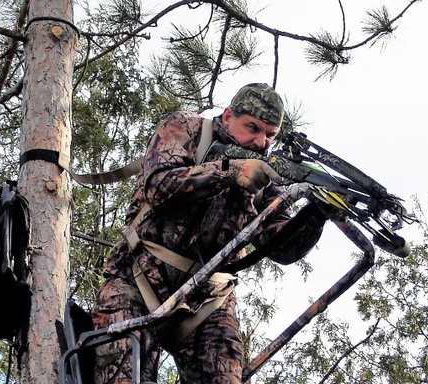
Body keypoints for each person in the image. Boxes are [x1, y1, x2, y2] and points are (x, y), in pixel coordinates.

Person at [91, 83, 330, 383]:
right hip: (137, 281)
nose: (260, 141)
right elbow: (159, 187)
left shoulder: (268, 176)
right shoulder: (185, 128)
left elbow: (282, 248)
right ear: (228, 116)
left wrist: (318, 215)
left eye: (270, 135)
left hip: (207, 303)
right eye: (252, 128)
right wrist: (231, 172)